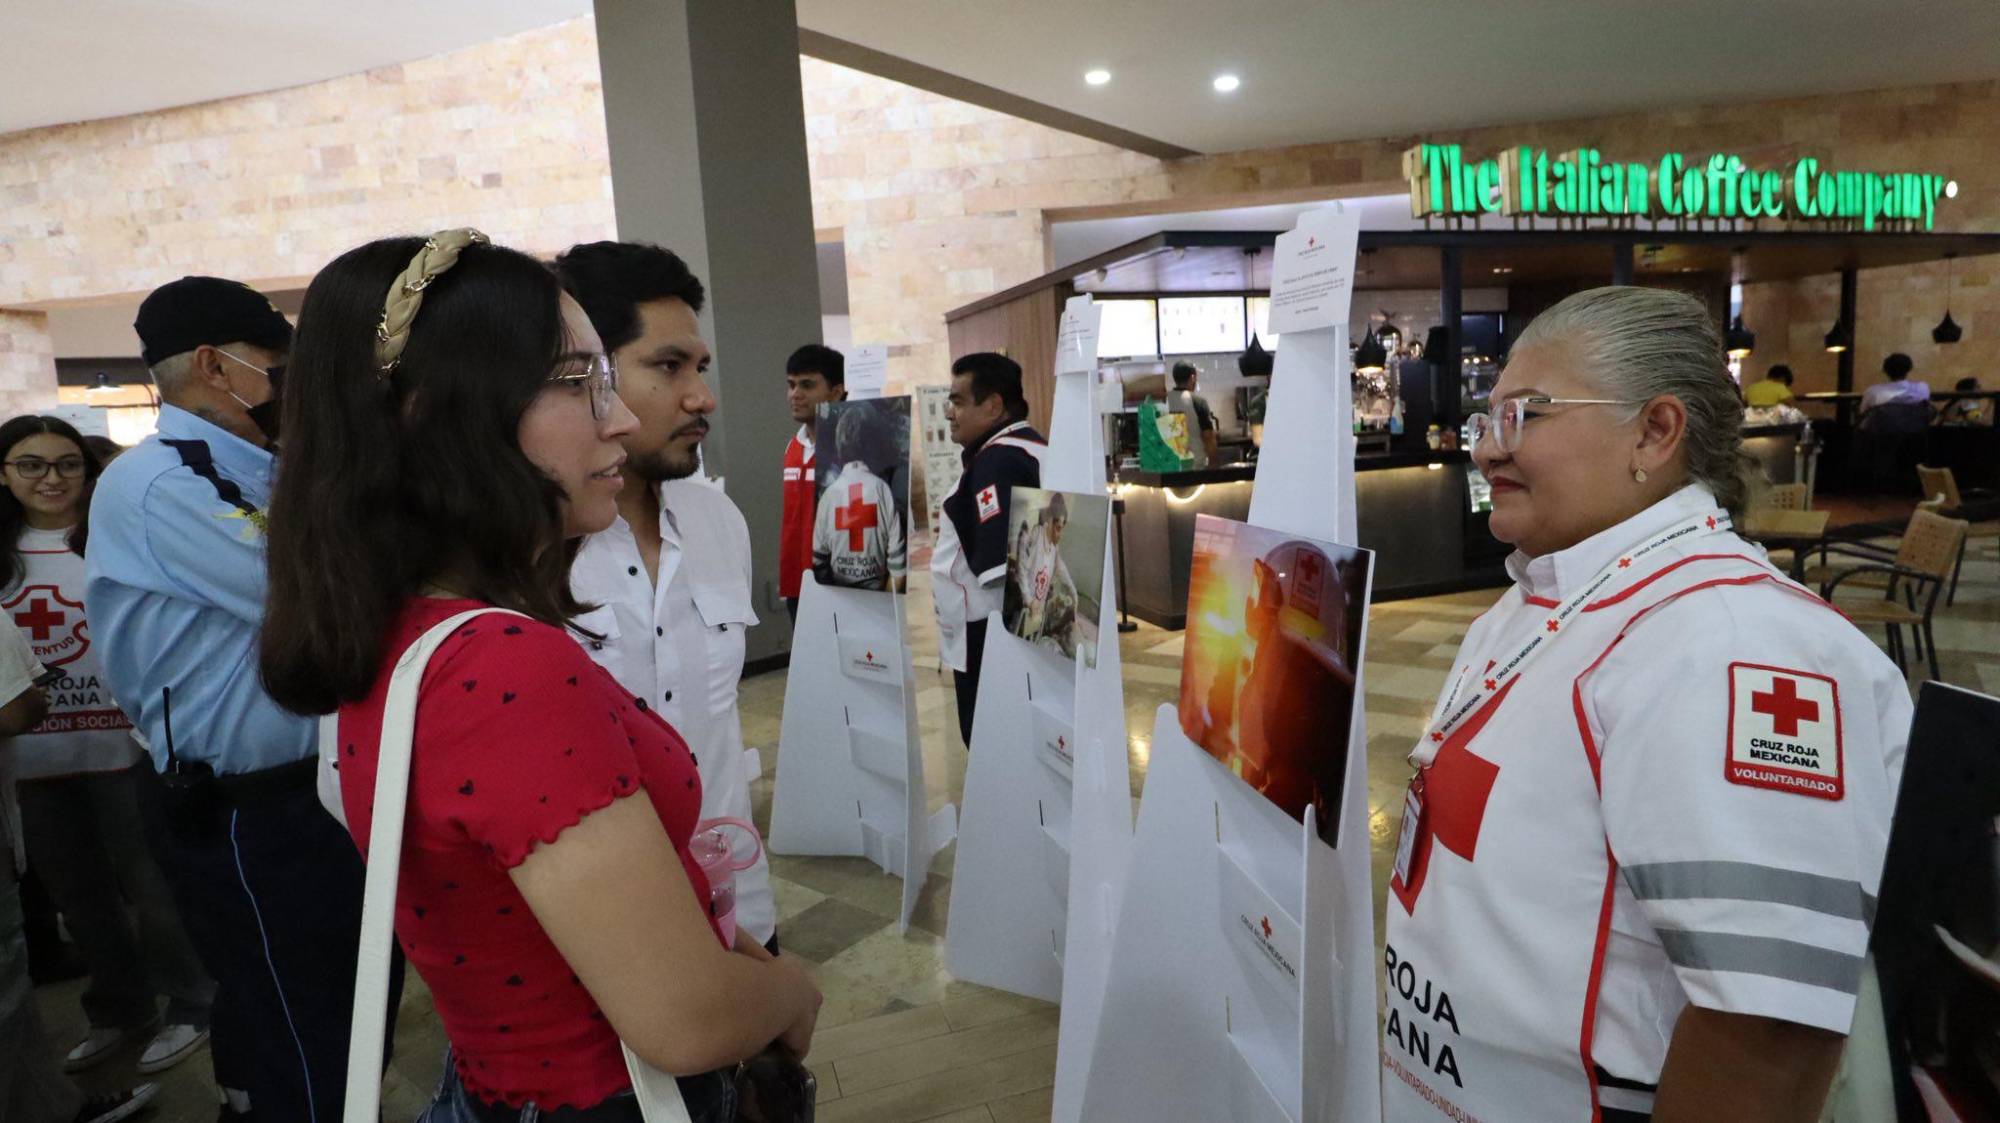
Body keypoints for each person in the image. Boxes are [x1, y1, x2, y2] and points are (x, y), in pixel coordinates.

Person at [260, 230, 820, 1122]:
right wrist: (792, 991)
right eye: (576, 380)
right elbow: (684, 1019)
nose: (619, 418)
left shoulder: (411, 626)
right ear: (437, 413)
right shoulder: (502, 664)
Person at [1383, 287, 1909, 1123]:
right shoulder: (1544, 596)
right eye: (1487, 420)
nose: (1488, 449)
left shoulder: (1734, 646)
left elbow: (1766, 1032)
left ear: (1656, 432)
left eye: (1525, 415)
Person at [86, 275, 374, 1119]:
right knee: (309, 1036)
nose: (293, 387)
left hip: (317, 789)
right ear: (215, 366)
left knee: (328, 1014)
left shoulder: (272, 468)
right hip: (250, 810)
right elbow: (326, 605)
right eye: (278, 368)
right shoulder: (157, 484)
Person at [555, 240, 778, 953]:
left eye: (700, 367)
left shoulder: (719, 522)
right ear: (585, 372)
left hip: (737, 906)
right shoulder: (529, 554)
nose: (701, 396)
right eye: (668, 365)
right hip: (605, 943)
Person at [2, 415, 213, 1075]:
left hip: (125, 748)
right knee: (79, 897)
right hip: (34, 760)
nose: (52, 478)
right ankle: (121, 1009)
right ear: (3, 474)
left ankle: (192, 1001)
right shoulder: (2, 556)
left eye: (68, 463)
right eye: (31, 464)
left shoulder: (114, 535)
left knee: (153, 886)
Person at [0, 614, 160, 1123]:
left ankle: (46, 1104)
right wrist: (34, 698)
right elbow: (13, 709)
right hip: (40, 768)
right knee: (8, 989)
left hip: (101, 751)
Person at [932, 352, 1044, 746]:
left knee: (988, 744)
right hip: (1010, 631)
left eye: (958, 401)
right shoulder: (1026, 446)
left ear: (994, 405)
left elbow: (999, 572)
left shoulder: (997, 462)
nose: (949, 413)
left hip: (990, 633)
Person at [780, 345, 845, 620]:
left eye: (807, 385)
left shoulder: (853, 448)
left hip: (842, 587)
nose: (795, 394)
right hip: (798, 585)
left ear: (836, 392)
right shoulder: (793, 448)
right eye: (791, 385)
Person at [812, 405, 906, 592]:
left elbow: (817, 562)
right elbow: (898, 571)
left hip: (838, 599)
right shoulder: (882, 491)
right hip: (877, 597)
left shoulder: (828, 496)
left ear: (839, 446)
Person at [1010, 494, 1076, 655]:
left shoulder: (1054, 548)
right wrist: (1029, 600)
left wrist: (1073, 592)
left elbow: (1062, 569)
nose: (1059, 534)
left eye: (1062, 528)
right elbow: (1022, 569)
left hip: (1037, 612)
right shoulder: (1035, 536)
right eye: (1058, 528)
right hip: (1022, 607)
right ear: (1050, 520)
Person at [1170, 360, 1220, 467]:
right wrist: (1214, 465)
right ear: (1192, 378)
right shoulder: (1197, 401)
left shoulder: (1165, 401)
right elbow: (1208, 438)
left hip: (1171, 466)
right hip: (1196, 467)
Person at [1859, 352, 1931, 415]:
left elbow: (1863, 413)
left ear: (1885, 371)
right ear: (1909, 369)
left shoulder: (1873, 392)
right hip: (1915, 426)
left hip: (1884, 426)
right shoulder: (1922, 388)